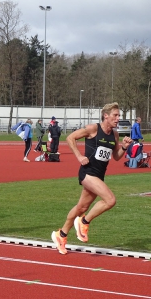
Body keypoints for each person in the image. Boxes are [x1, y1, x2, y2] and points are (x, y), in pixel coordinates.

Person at [51, 102, 132, 255]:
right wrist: (79, 156)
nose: (118, 118)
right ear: (105, 116)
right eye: (115, 115)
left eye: (119, 115)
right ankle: (83, 222)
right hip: (87, 173)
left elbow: (115, 157)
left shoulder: (114, 134)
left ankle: (60, 235)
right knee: (110, 200)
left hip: (99, 175)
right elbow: (70, 138)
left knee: (81, 208)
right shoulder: (93, 129)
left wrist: (124, 147)